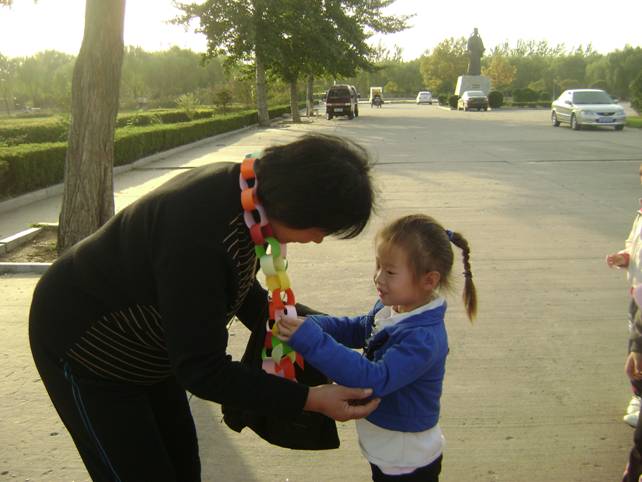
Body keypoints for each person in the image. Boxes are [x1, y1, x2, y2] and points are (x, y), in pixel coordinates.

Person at [29, 133, 381, 482]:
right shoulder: (199, 234)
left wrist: (331, 332)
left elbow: (238, 291)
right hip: (87, 350)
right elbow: (203, 370)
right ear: (296, 205)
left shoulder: (247, 198)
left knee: (183, 466)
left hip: (157, 349)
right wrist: (312, 399)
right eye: (322, 229)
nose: (318, 240)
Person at [277, 214, 477, 481]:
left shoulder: (423, 340)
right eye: (378, 265)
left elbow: (373, 380)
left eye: (391, 272)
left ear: (429, 280)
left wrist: (313, 341)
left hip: (407, 459)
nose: (379, 278)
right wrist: (314, 324)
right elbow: (361, 328)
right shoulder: (395, 307)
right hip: (386, 449)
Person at [606, 164, 642, 429]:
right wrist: (624, 257)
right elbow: (634, 245)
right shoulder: (641, 212)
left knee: (637, 353)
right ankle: (638, 397)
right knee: (635, 352)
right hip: (637, 296)